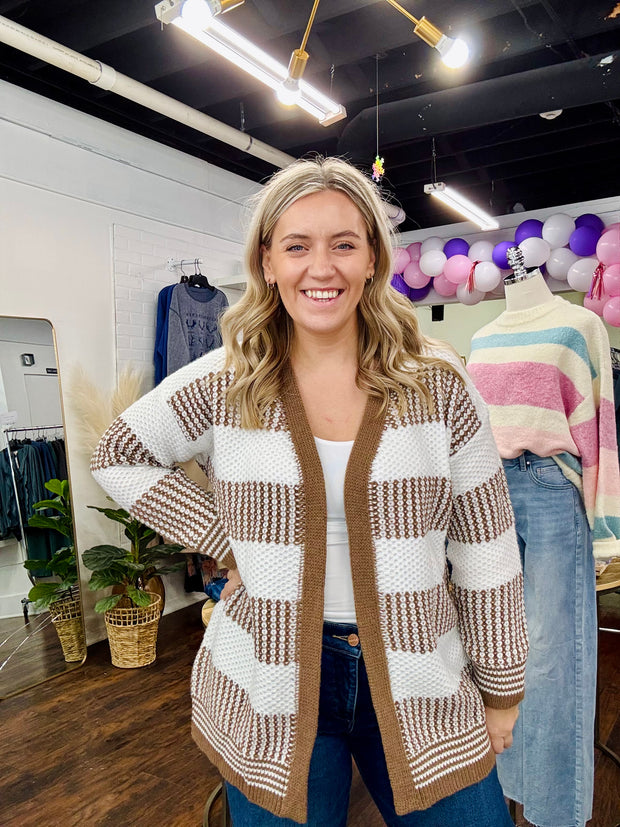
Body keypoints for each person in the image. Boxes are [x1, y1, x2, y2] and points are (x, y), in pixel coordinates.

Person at [91, 157, 528, 827]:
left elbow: (485, 544)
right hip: (271, 677)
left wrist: (501, 690)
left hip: (419, 678)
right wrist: (223, 537)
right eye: (297, 246)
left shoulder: (437, 383)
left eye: (343, 244)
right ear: (268, 261)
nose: (320, 267)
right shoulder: (228, 379)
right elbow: (119, 451)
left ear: (373, 259)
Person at [468, 261, 620, 827]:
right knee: (500, 644)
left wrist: (606, 527)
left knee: (559, 652)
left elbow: (600, 425)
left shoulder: (580, 326)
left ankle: (557, 811)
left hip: (554, 485)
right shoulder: (482, 338)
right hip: (492, 491)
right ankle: (511, 786)